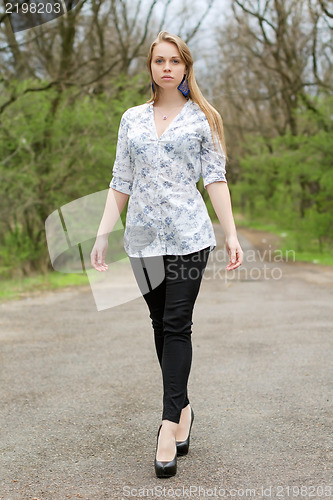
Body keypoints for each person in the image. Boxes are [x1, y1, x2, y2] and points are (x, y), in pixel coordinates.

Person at [90, 31, 243, 478]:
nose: (167, 67)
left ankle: (166, 425)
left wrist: (231, 235)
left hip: (190, 237)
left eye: (175, 61)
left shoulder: (204, 119)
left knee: (177, 323)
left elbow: (215, 179)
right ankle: (185, 407)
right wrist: (101, 234)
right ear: (151, 68)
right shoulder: (131, 119)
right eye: (160, 60)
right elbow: (121, 180)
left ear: (186, 67)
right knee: (159, 324)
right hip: (141, 240)